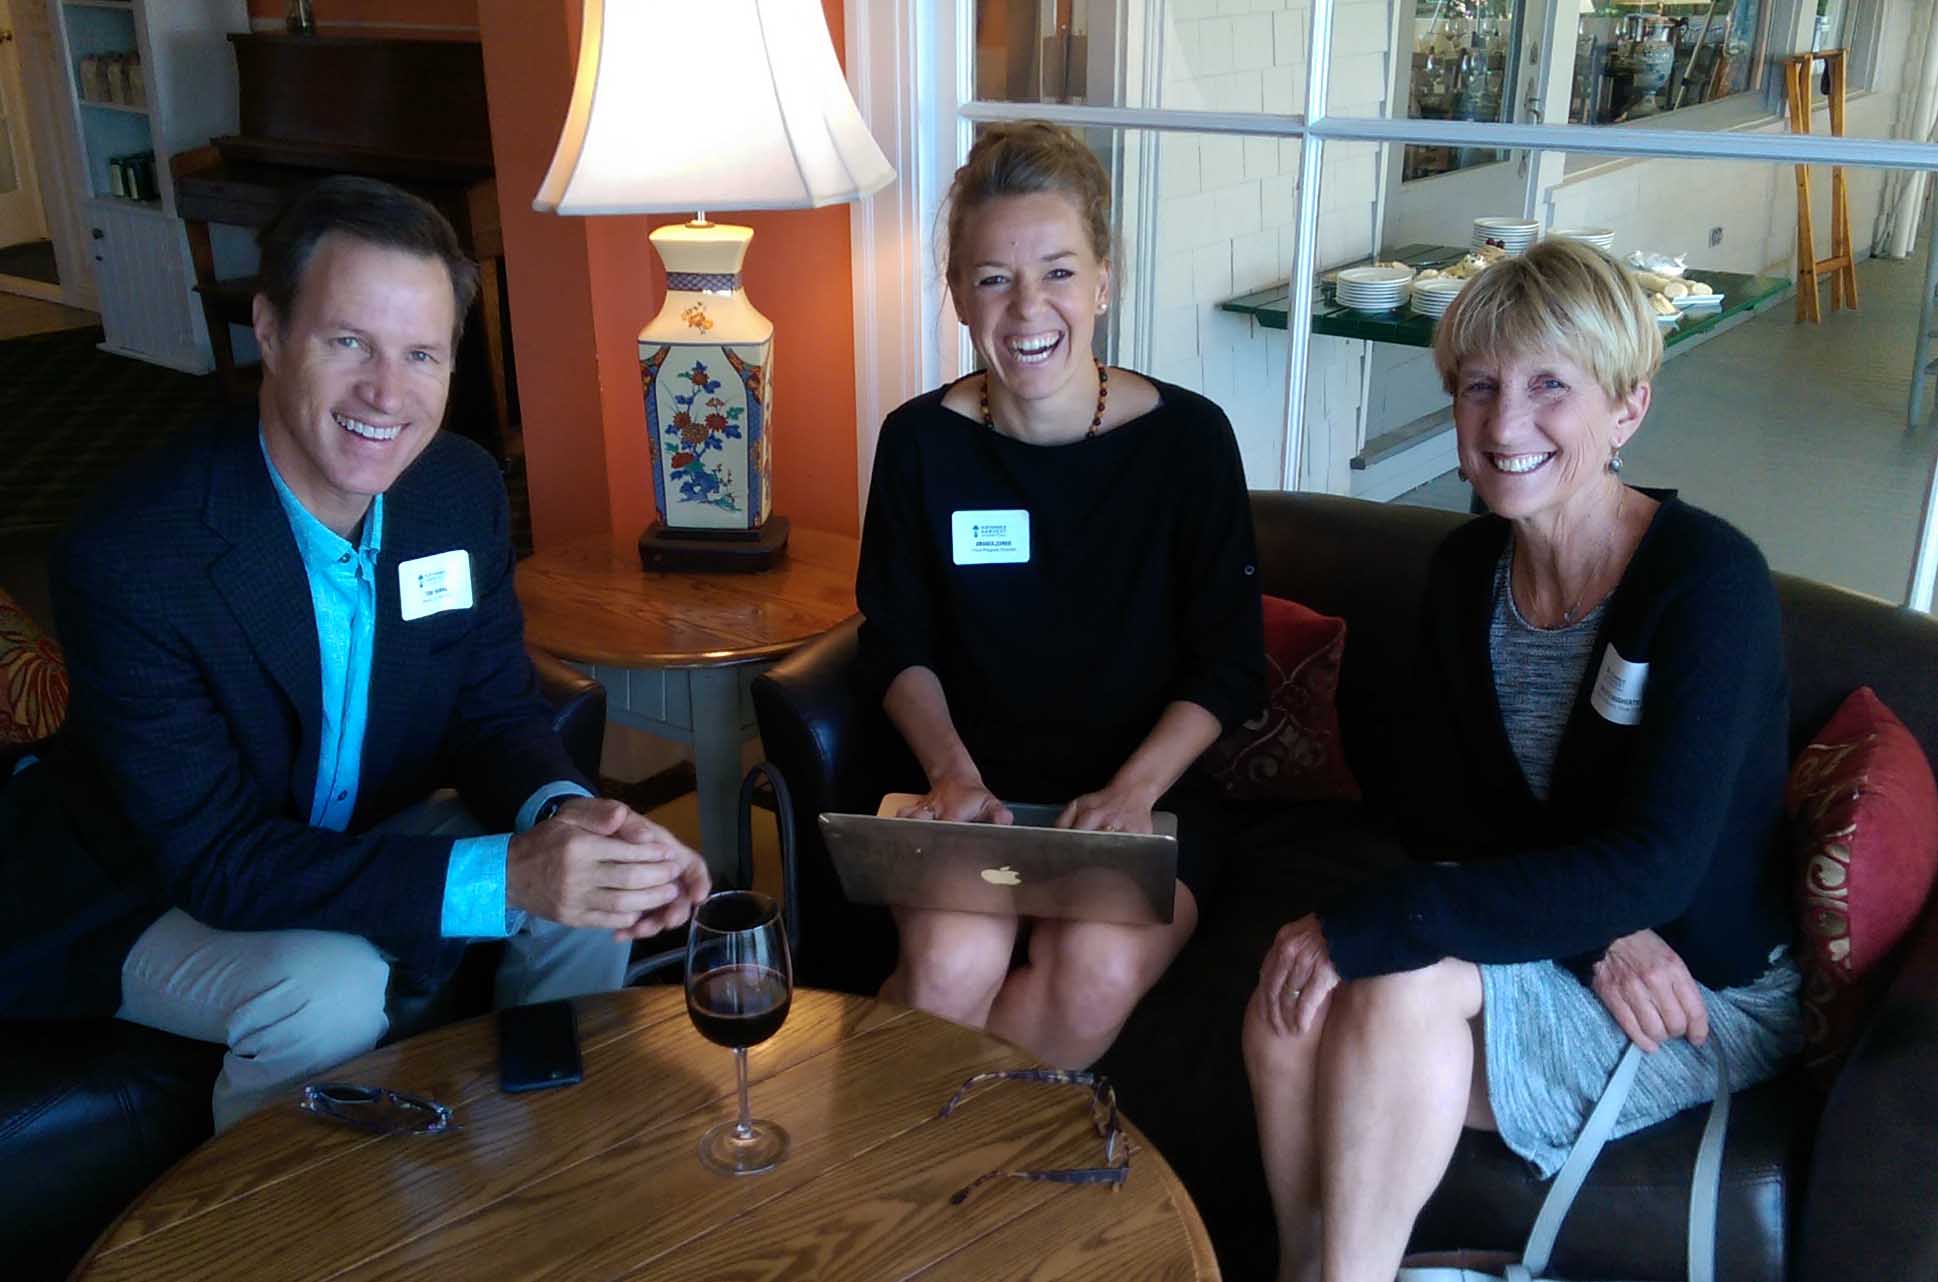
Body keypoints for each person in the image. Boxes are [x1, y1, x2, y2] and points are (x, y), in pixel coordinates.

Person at [0, 176, 709, 1130]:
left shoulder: (454, 489)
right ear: (271, 330)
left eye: (421, 354)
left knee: (591, 887)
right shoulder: (135, 554)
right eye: (349, 343)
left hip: (353, 834)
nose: (387, 392)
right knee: (323, 986)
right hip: (142, 885)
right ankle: (282, 1233)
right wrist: (511, 873)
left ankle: (548, 1163)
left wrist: (578, 818)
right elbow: (216, 860)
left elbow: (494, 710)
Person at [1241, 238, 1802, 1282]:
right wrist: (1597, 936)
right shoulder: (1465, 573)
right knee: (1293, 1001)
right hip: (1583, 947)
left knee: (1386, 977)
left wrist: (1379, 923)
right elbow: (1449, 816)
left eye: (1552, 386)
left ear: (1628, 408)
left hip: (1698, 987)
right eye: (1480, 387)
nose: (1505, 425)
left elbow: (1661, 866)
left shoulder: (1706, 582)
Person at [855, 121, 1265, 1068]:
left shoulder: (1189, 442)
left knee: (1095, 969)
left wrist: (1132, 790)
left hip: (1148, 796)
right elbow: (893, 640)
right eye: (994, 276)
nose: (1028, 306)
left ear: (1106, 282)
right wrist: (952, 773)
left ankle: (959, 1171)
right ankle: (903, 1180)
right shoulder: (918, 443)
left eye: (1060, 271)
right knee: (953, 963)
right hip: (970, 791)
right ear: (958, 293)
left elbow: (1231, 664)